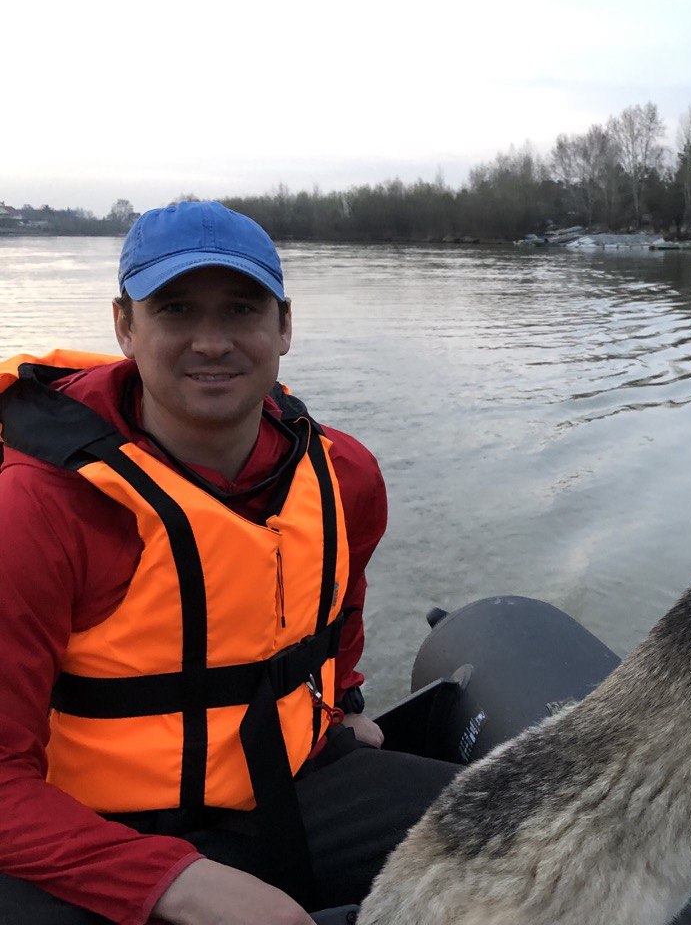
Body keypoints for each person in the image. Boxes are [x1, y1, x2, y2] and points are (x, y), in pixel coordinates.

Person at [0, 202, 460, 924]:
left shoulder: (346, 476)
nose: (211, 343)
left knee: (561, 848)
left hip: (289, 787)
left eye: (241, 310)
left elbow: (340, 619)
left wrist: (338, 707)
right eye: (176, 310)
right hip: (87, 826)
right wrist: (177, 882)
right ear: (125, 326)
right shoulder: (38, 506)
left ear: (282, 326)